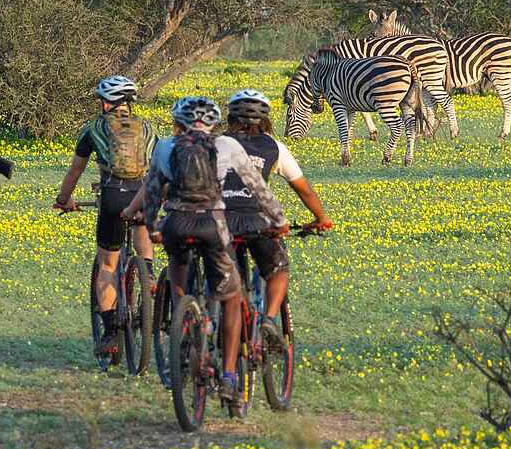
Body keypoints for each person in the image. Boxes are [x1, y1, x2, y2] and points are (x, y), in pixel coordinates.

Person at [122, 96, 279, 403]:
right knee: (232, 297)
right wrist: (279, 220)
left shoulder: (165, 147)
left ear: (177, 123)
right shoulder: (227, 145)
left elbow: (152, 191)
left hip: (176, 224)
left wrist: (153, 228)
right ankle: (229, 376)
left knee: (179, 280)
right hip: (212, 225)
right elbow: (259, 189)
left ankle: (184, 323)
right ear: (214, 123)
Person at [53, 75, 157, 358]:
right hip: (142, 194)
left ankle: (110, 333)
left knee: (108, 265)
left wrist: (63, 200)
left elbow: (75, 170)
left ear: (107, 102)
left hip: (113, 196)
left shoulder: (94, 128)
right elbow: (158, 166)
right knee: (141, 232)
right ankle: (148, 274)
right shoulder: (147, 128)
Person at [222, 89, 332, 335]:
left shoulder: (216, 144)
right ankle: (270, 321)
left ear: (230, 119)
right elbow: (303, 189)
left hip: (219, 221)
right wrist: (321, 218)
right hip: (258, 221)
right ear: (266, 120)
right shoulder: (274, 147)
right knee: (278, 270)